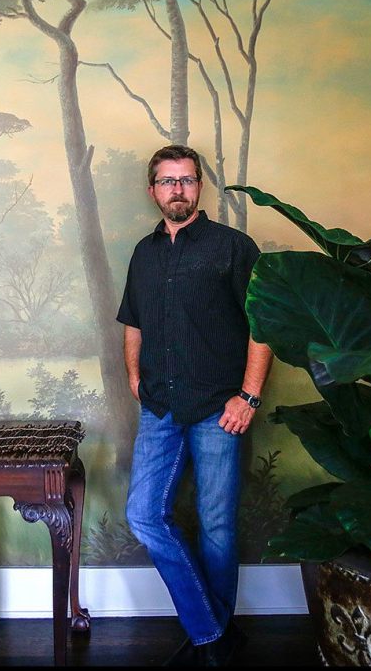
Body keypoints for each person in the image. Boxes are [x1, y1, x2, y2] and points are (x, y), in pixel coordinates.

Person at [117, 144, 273, 667]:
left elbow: (263, 325)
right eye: (167, 181)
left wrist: (248, 396)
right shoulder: (143, 253)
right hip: (159, 406)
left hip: (218, 408)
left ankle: (211, 641)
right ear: (153, 190)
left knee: (217, 524)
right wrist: (134, 376)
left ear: (199, 187)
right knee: (144, 515)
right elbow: (133, 321)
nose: (177, 189)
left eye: (186, 179)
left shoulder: (233, 247)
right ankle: (212, 633)